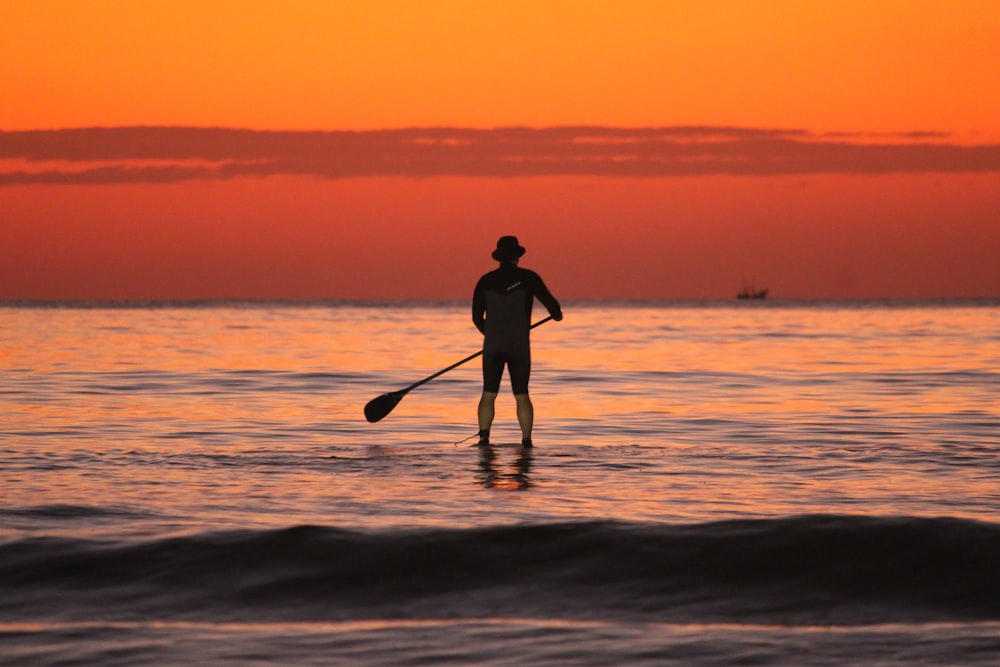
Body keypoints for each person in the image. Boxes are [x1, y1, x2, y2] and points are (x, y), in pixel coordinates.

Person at [472, 236, 562, 447]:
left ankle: (484, 438)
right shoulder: (529, 278)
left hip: (493, 346)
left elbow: (476, 318)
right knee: (522, 394)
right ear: (517, 257)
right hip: (519, 346)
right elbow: (553, 307)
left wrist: (492, 335)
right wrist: (557, 315)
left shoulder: (485, 281)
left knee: (488, 393)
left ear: (499, 258)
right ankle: (526, 442)